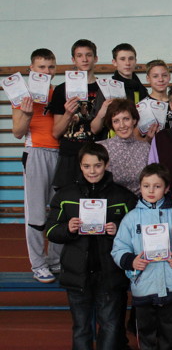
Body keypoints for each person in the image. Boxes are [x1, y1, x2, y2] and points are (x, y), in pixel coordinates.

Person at [46, 143, 137, 350]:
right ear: (80, 166)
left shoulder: (123, 197)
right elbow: (50, 232)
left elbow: (137, 232)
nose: (92, 171)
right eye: (87, 166)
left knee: (110, 326)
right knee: (81, 328)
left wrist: (118, 229)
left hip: (110, 274)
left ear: (106, 164)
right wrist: (68, 228)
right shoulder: (65, 196)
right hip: (77, 274)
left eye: (97, 165)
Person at [111, 163, 172, 350]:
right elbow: (118, 248)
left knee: (171, 336)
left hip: (171, 284)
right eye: (146, 186)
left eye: (157, 186)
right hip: (143, 285)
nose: (151, 191)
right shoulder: (131, 218)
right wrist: (132, 261)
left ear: (166, 188)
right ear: (140, 187)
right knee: (146, 336)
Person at [12, 48, 61, 283]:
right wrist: (28, 114)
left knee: (60, 211)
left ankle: (55, 261)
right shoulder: (23, 96)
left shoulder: (58, 92)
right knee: (36, 214)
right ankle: (39, 265)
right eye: (41, 67)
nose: (46, 72)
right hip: (36, 153)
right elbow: (17, 132)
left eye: (50, 67)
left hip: (60, 154)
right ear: (31, 69)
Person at [48, 39, 101, 189]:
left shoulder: (104, 87)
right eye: (79, 55)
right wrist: (68, 114)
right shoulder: (61, 90)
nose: (84, 59)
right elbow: (56, 132)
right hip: (70, 154)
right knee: (67, 199)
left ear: (95, 58)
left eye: (88, 55)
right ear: (73, 59)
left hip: (97, 155)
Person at [91, 43, 149, 138]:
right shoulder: (106, 89)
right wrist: (101, 113)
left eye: (131, 58)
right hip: (112, 143)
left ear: (135, 61)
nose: (127, 63)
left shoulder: (141, 89)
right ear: (114, 62)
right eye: (122, 59)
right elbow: (94, 129)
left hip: (136, 142)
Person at [97, 99, 150, 195]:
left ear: (134, 120)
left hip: (140, 202)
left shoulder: (146, 148)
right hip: (111, 201)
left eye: (126, 119)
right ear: (112, 124)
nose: (122, 125)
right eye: (116, 121)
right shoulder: (101, 147)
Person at [137, 59, 172, 141]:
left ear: (169, 77)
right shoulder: (141, 107)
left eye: (164, 75)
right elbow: (136, 139)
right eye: (155, 76)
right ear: (148, 78)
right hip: (152, 148)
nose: (161, 79)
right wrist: (147, 139)